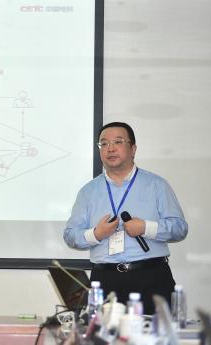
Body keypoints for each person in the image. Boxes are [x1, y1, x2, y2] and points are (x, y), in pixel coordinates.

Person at [63, 121, 188, 315]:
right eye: (104, 144)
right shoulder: (88, 191)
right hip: (105, 279)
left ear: (133, 149)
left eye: (118, 142)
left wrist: (146, 228)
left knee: (158, 332)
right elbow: (70, 235)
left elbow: (180, 228)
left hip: (151, 277)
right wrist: (96, 234)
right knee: (104, 332)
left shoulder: (156, 185)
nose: (110, 148)